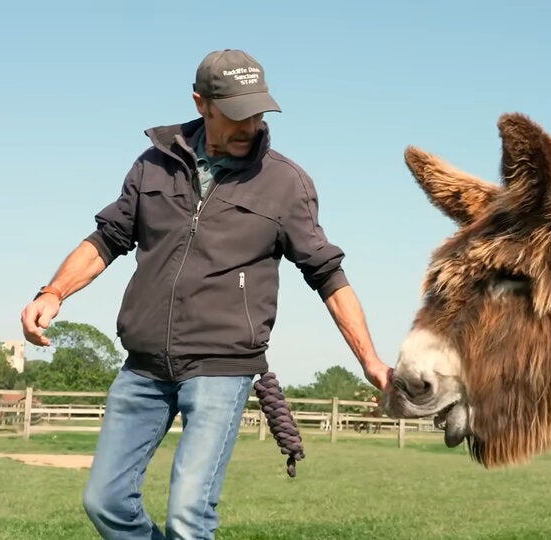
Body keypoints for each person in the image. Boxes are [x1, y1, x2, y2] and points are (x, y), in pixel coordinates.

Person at [19, 48, 393, 539]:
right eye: (237, 114)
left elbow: (327, 275)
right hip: (145, 366)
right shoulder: (153, 166)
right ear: (202, 104)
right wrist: (53, 293)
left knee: (188, 516)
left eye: (258, 112)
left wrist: (370, 361)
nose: (250, 125)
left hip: (223, 367)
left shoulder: (285, 183)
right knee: (105, 501)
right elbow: (108, 237)